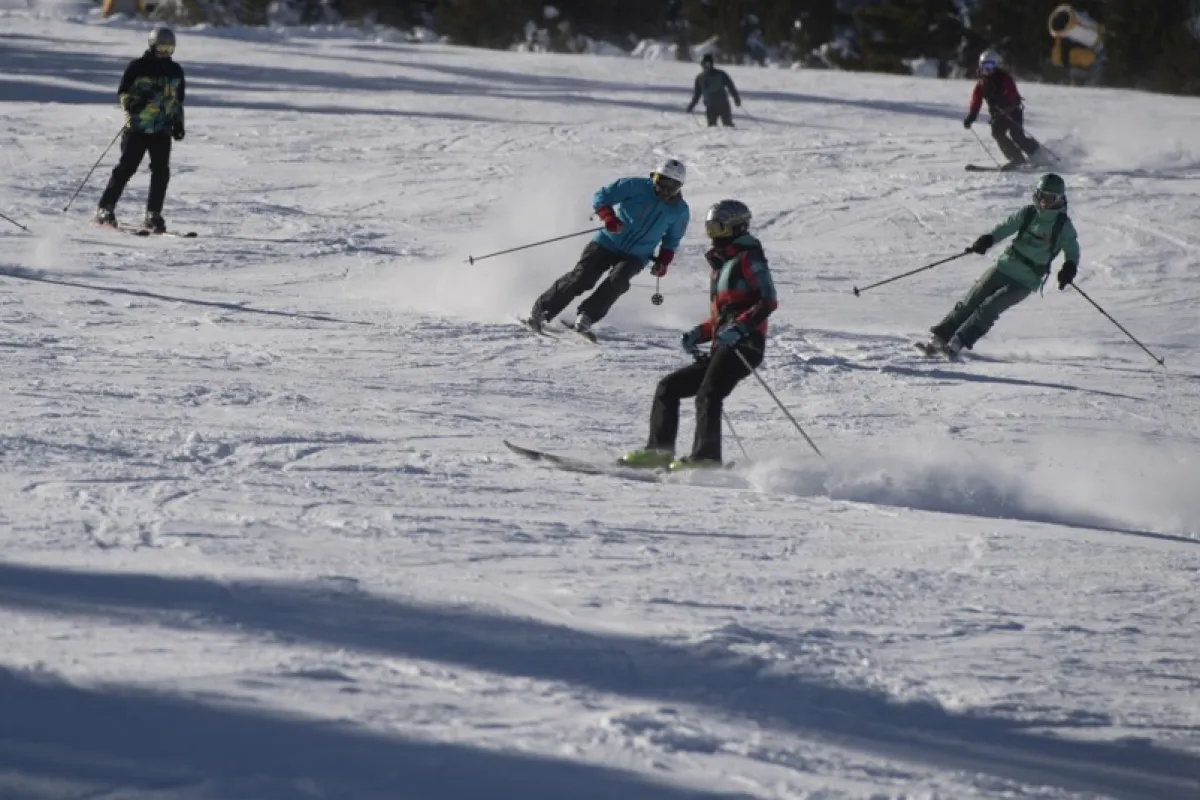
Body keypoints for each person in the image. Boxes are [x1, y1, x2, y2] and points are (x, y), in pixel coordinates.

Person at [621, 199, 778, 471]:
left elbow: (767, 301)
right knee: (668, 388)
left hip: (746, 345)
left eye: (718, 228)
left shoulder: (749, 258)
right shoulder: (723, 265)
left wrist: (740, 329)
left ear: (736, 227)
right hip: (724, 344)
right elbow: (723, 318)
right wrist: (700, 333)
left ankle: (706, 458)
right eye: (709, 229)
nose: (713, 235)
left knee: (708, 393)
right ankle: (659, 451)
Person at [526, 159, 690, 341]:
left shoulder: (680, 211)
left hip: (636, 256)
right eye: (661, 181)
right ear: (654, 177)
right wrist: (609, 217)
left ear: (679, 187)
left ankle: (586, 316)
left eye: (671, 186)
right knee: (583, 277)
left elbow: (672, 240)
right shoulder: (635, 186)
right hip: (606, 242)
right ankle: (543, 310)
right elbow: (602, 196)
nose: (664, 190)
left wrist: (663, 261)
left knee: (617, 281)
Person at [920, 173, 1079, 359]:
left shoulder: (1063, 226)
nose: (1044, 202)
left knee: (990, 308)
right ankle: (938, 339)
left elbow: (1073, 251)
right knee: (972, 299)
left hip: (1026, 280)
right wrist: (988, 240)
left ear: (1059, 199)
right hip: (1004, 266)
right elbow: (1006, 227)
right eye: (1042, 196)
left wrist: (1069, 268)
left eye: (1050, 198)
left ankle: (958, 342)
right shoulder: (1028, 213)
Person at [94, 27, 186, 233]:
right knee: (126, 168)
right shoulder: (137, 67)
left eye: (169, 49)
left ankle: (153, 213)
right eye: (161, 48)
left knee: (161, 172)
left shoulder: (176, 71)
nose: (165, 53)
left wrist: (179, 123)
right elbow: (123, 92)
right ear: (152, 46)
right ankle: (105, 207)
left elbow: (178, 101)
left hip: (162, 129)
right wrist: (131, 104)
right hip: (137, 127)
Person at [963, 49, 1041, 171]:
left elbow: (1012, 94)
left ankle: (1037, 153)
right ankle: (1016, 158)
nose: (987, 70)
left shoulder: (1004, 79)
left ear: (997, 66)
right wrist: (971, 116)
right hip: (998, 115)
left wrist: (1003, 99)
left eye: (990, 66)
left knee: (1017, 136)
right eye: (984, 67)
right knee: (997, 133)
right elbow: (976, 101)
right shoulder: (981, 85)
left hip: (1012, 112)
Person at [686, 54, 741, 127]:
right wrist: (691, 106)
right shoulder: (701, 78)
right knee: (715, 128)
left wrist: (736, 98)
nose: (706, 66)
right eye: (705, 63)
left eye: (708, 63)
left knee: (725, 126)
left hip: (721, 105)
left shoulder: (719, 74)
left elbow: (731, 87)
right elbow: (697, 95)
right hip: (712, 106)